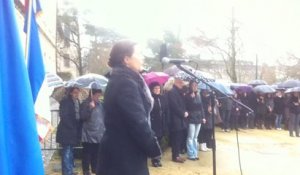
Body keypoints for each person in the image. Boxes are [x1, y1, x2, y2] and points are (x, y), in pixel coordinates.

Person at [97, 40, 161, 175]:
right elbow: (138, 121)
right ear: (126, 59)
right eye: (139, 54)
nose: (142, 57)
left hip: (120, 152)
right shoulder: (125, 83)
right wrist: (153, 149)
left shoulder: (121, 79)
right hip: (124, 157)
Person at [56, 87, 81, 175]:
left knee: (70, 151)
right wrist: (72, 126)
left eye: (78, 92)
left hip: (73, 130)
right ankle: (67, 172)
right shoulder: (65, 101)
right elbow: (64, 116)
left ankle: (70, 171)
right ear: (71, 93)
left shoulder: (77, 101)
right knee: (67, 152)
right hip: (66, 131)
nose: (77, 94)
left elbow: (77, 115)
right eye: (75, 92)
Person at [80, 89, 105, 175]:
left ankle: (95, 168)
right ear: (92, 95)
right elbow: (83, 117)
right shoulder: (85, 104)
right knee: (87, 153)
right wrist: (90, 108)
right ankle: (86, 170)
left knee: (96, 153)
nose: (99, 98)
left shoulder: (101, 104)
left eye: (99, 96)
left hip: (99, 133)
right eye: (97, 96)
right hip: (88, 134)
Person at [167, 72, 189, 163]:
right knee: (176, 138)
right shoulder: (172, 91)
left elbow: (182, 102)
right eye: (180, 83)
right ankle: (175, 156)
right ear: (176, 82)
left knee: (179, 137)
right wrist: (183, 113)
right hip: (175, 119)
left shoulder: (178, 91)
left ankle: (177, 154)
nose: (182, 84)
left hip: (179, 119)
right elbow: (174, 106)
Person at [149, 82, 169, 167]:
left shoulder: (162, 98)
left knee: (160, 140)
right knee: (155, 141)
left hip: (161, 122)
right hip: (154, 122)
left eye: (158, 88)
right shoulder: (150, 98)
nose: (157, 90)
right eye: (155, 89)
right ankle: (155, 159)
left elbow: (165, 109)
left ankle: (158, 158)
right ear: (152, 90)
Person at [185, 80, 204, 160]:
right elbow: (188, 107)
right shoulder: (187, 95)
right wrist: (191, 99)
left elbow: (201, 107)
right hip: (191, 118)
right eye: (193, 85)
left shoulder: (199, 95)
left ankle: (195, 154)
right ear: (190, 86)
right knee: (190, 137)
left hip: (198, 118)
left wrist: (203, 117)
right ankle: (190, 154)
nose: (195, 86)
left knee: (196, 137)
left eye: (196, 85)